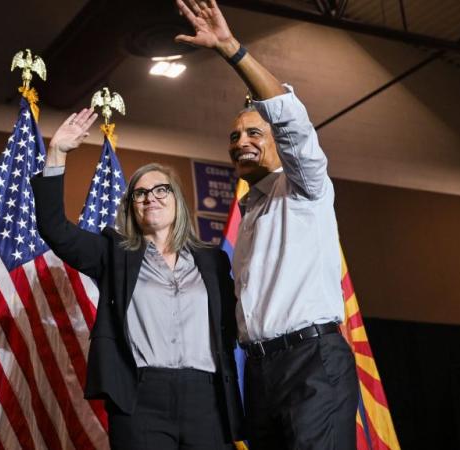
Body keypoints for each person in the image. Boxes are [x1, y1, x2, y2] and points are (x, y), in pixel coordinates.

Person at [176, 0, 360, 448]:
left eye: (254, 133)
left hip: (313, 363)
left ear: (280, 145)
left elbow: (292, 121)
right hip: (260, 373)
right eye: (234, 137)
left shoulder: (306, 186)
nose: (241, 142)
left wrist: (231, 49)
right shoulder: (251, 212)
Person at [30, 109, 245, 449]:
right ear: (131, 207)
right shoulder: (114, 254)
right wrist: (56, 153)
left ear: (178, 201)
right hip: (140, 398)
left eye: (161, 189)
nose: (151, 198)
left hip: (207, 398)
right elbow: (55, 229)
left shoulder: (213, 261)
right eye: (140, 194)